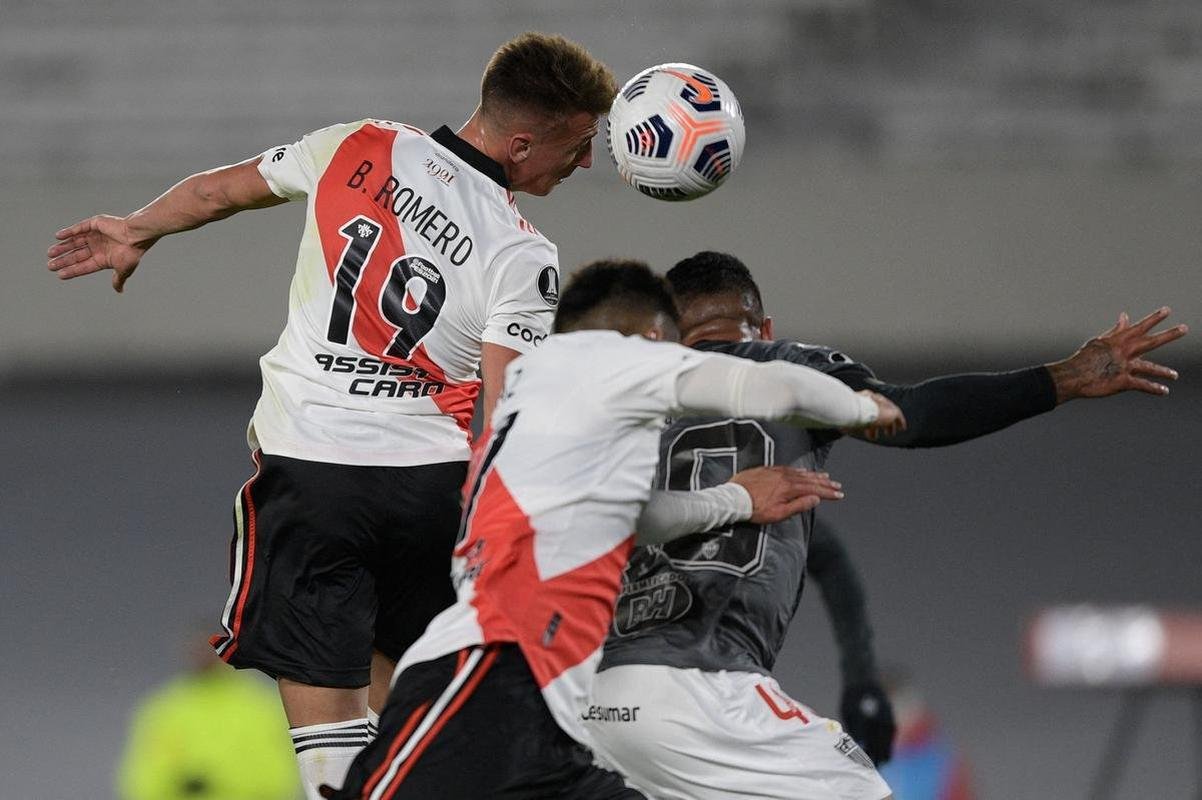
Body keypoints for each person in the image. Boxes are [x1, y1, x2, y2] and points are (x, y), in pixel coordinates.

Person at [47, 32, 617, 799]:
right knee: (423, 713)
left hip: (310, 472)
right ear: (520, 143)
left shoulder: (361, 144)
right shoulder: (523, 254)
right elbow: (510, 418)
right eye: (579, 145)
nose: (584, 164)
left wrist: (136, 227)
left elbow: (219, 192)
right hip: (430, 491)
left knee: (329, 734)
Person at [584, 250, 1187, 800]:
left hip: (596, 704)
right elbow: (913, 417)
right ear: (763, 329)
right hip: (701, 689)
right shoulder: (782, 365)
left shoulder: (622, 407)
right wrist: (1064, 379)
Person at [326, 259, 905, 799]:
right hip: (485, 670)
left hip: (552, 716)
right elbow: (767, 385)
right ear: (653, 336)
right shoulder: (606, 361)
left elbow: (631, 519)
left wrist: (731, 499)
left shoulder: (546, 401)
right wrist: (862, 409)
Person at [116, 625, 301, 800]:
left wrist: (215, 781)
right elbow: (141, 776)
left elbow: (281, 776)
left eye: (212, 647)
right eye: (197, 648)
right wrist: (180, 783)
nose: (202, 655)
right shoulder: (163, 709)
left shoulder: (262, 707)